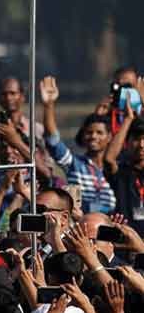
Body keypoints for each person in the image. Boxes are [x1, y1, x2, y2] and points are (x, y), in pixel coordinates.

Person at [40, 75, 116, 214]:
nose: (93, 136)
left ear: (110, 137)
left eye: (99, 133)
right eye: (89, 132)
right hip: (82, 229)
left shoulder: (116, 168)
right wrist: (49, 105)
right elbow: (53, 141)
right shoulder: (75, 164)